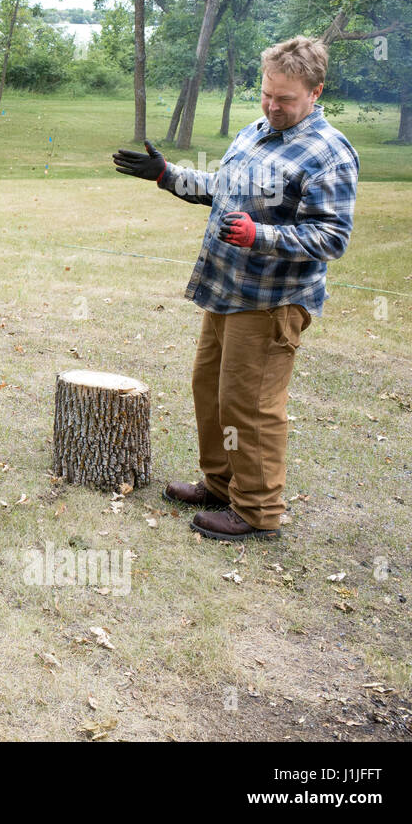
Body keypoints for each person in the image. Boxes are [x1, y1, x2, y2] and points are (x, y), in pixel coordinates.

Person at [111, 35, 358, 541]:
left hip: (270, 303)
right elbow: (223, 189)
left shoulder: (329, 154)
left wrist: (260, 235)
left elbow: (332, 237)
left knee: (252, 405)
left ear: (315, 91)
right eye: (267, 94)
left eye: (285, 99)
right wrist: (166, 175)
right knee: (211, 391)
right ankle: (221, 484)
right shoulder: (257, 131)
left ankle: (258, 510)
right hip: (223, 289)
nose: (273, 106)